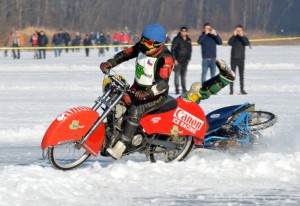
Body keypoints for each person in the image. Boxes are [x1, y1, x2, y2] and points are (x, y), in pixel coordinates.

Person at [100, 23, 174, 159]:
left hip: (155, 96)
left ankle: (120, 147)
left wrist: (148, 93)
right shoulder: (141, 47)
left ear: (157, 44)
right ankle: (112, 136)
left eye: (148, 42)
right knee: (117, 102)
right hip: (137, 89)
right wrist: (110, 63)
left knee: (136, 110)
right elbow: (124, 54)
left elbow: (162, 84)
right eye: (143, 39)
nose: (144, 44)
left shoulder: (166, 58)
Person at [228, 25, 250, 95]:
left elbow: (247, 43)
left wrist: (242, 36)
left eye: (239, 30)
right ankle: (231, 91)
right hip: (233, 59)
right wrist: (234, 36)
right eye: (237, 30)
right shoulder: (234, 38)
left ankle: (242, 90)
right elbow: (229, 43)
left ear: (242, 31)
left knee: (241, 75)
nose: (238, 32)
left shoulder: (244, 38)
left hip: (241, 59)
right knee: (232, 76)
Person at [171, 26, 192, 94]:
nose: (184, 32)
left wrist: (189, 58)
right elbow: (173, 49)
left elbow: (190, 50)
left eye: (185, 31)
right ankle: (177, 89)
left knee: (183, 76)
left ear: (186, 32)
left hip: (185, 61)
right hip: (178, 60)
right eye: (182, 30)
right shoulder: (176, 39)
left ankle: (184, 89)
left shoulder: (188, 39)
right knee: (177, 76)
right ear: (180, 31)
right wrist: (174, 59)